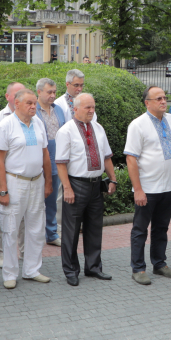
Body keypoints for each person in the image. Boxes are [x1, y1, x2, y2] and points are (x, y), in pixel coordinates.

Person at [125, 86, 171, 285]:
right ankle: (138, 268)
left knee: (161, 228)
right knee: (140, 230)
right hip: (147, 189)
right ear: (147, 103)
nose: (163, 101)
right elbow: (131, 159)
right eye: (158, 98)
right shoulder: (138, 125)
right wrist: (138, 189)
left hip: (168, 186)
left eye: (164, 97)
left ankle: (159, 264)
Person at [0, 88, 53, 289]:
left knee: (36, 228)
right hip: (15, 181)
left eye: (35, 103)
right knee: (10, 228)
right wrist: (3, 190)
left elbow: (45, 155)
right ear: (16, 104)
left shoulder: (38, 124)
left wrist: (48, 182)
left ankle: (32, 270)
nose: (34, 106)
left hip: (37, 181)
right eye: (29, 103)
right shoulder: (5, 125)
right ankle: (9, 273)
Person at [54, 93, 117, 286]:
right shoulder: (66, 131)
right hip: (76, 184)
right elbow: (61, 163)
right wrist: (67, 188)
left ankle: (93, 267)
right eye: (87, 107)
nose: (91, 110)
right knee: (71, 231)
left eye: (93, 107)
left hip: (96, 185)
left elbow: (107, 157)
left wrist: (113, 179)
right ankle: (71, 270)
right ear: (75, 108)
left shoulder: (98, 128)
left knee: (94, 228)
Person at [0, 82, 26, 269]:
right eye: (15, 94)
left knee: (24, 215)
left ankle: (24, 252)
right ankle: (1, 253)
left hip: (25, 177)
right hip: (5, 176)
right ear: (7, 97)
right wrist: (0, 185)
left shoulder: (30, 117)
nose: (19, 97)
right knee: (2, 215)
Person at [34, 77, 69, 249]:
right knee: (35, 201)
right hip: (37, 163)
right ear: (39, 92)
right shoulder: (33, 111)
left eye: (55, 92)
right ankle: (35, 235)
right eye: (49, 92)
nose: (53, 96)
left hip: (56, 162)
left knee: (52, 201)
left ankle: (51, 233)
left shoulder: (59, 110)